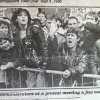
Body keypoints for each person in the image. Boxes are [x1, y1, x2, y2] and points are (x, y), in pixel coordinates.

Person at [11, 8, 48, 88]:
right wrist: (20, 63)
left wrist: (43, 66)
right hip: (27, 67)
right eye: (20, 15)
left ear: (28, 18)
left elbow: (44, 48)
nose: (23, 17)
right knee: (29, 90)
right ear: (16, 19)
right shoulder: (15, 33)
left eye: (25, 15)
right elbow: (18, 51)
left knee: (40, 90)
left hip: (39, 65)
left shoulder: (35, 30)